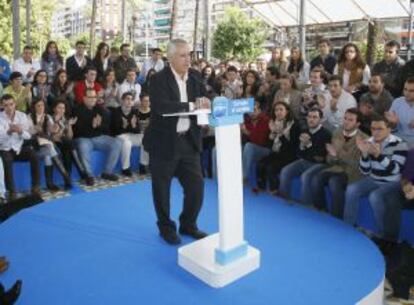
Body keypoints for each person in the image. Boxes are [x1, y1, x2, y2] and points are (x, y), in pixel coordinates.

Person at [143, 39, 210, 245]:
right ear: (170, 57)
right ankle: (166, 227)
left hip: (189, 142)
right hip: (163, 143)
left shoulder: (196, 78)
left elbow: (207, 96)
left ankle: (188, 224)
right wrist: (192, 105)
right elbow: (163, 107)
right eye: (182, 55)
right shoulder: (158, 80)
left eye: (189, 55)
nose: (187, 59)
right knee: (162, 190)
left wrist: (208, 101)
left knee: (196, 187)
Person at [343, 114, 408, 232]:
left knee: (375, 196)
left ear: (388, 129)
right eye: (373, 129)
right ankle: (348, 226)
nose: (376, 132)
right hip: (373, 179)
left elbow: (396, 170)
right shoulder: (368, 141)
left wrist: (378, 156)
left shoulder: (400, 143)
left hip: (393, 182)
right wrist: (364, 154)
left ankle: (382, 234)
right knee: (351, 189)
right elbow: (365, 171)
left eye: (380, 129)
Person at [309, 108, 368, 218]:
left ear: (358, 124)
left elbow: (357, 165)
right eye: (345, 118)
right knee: (316, 178)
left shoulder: (364, 139)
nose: (346, 121)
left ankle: (337, 217)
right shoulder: (337, 132)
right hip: (335, 168)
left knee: (334, 182)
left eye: (350, 120)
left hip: (352, 173)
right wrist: (333, 157)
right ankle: (321, 210)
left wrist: (338, 154)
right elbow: (329, 160)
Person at [278, 108, 331, 203]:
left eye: (315, 117)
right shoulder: (304, 131)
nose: (311, 119)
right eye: (309, 117)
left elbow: (321, 157)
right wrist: (302, 146)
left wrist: (308, 145)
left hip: (320, 165)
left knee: (306, 176)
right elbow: (299, 154)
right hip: (304, 161)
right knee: (285, 171)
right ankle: (283, 199)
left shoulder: (326, 134)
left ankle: (306, 206)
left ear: (321, 119)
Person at [72, 89, 122, 186]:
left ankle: (107, 172)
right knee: (83, 146)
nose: (93, 99)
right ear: (84, 98)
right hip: (83, 138)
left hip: (98, 137)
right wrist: (92, 126)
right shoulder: (77, 110)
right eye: (90, 97)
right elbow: (77, 130)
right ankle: (89, 175)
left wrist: (98, 126)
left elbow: (106, 128)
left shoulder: (100, 109)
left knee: (117, 142)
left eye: (94, 97)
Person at [254, 102, 299, 194]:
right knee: (260, 164)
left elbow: (292, 145)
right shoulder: (273, 123)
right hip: (276, 153)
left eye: (281, 109)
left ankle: (275, 191)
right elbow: (269, 144)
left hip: (289, 155)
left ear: (287, 111)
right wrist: (271, 135)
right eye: (276, 110)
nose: (278, 112)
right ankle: (261, 188)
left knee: (271, 167)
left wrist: (279, 132)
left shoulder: (294, 125)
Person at [0, 94, 40, 198]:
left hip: (19, 148)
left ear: (15, 104)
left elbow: (28, 136)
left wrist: (20, 131)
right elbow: (0, 140)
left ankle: (35, 186)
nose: (9, 107)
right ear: (2, 106)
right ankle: (12, 191)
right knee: (6, 160)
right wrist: (8, 132)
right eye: (6, 105)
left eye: (11, 104)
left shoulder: (21, 116)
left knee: (33, 155)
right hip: (5, 148)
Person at [27, 99, 72, 191]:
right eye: (38, 106)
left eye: (42, 105)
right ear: (34, 107)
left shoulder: (47, 117)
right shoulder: (29, 117)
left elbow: (52, 131)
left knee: (48, 154)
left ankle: (50, 183)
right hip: (34, 144)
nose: (41, 108)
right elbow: (27, 134)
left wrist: (55, 126)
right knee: (50, 147)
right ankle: (66, 177)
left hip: (46, 143)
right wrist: (36, 128)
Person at [112, 92, 149, 176]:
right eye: (127, 99)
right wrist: (125, 126)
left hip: (131, 135)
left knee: (146, 139)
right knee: (127, 143)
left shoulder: (135, 111)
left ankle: (143, 165)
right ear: (122, 100)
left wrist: (133, 125)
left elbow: (137, 130)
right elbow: (115, 130)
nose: (129, 101)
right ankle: (125, 168)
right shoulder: (116, 111)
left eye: (131, 99)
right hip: (120, 136)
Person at [241, 101, 270, 181]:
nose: (252, 113)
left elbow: (261, 141)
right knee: (238, 148)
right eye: (250, 111)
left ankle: (243, 177)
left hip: (265, 149)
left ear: (259, 110)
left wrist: (246, 132)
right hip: (251, 149)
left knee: (248, 146)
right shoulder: (247, 121)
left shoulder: (266, 120)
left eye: (254, 110)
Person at [385, 77, 414, 148]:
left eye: (411, 91)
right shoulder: (397, 102)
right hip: (398, 136)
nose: (407, 93)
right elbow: (392, 128)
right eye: (405, 89)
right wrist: (393, 123)